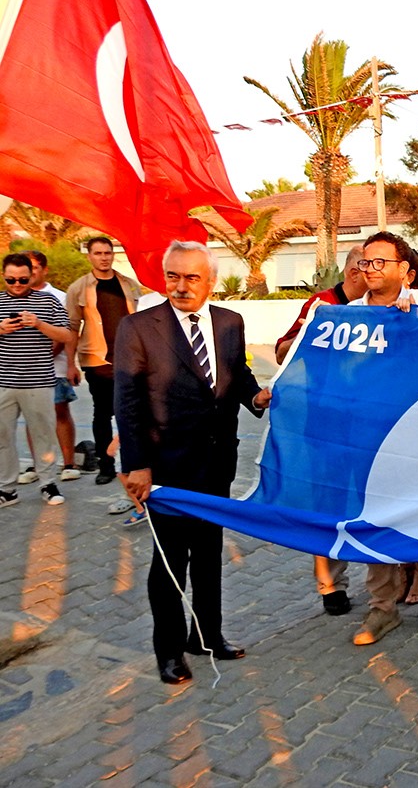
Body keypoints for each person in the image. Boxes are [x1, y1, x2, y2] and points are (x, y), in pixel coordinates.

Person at [114, 241, 272, 685]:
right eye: (173, 277)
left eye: (191, 278)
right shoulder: (139, 327)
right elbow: (126, 402)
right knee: (169, 562)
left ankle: (206, 636)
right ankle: (168, 651)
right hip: (166, 467)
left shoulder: (230, 322)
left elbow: (235, 374)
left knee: (208, 554)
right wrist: (137, 465)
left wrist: (255, 396)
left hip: (217, 460)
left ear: (210, 281)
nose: (181, 287)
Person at [347, 232, 418, 645]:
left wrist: (417, 325)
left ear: (405, 271)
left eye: (379, 263)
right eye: (365, 263)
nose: (369, 270)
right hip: (366, 436)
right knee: (372, 517)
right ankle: (382, 607)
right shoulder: (349, 315)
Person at [274, 245, 365, 617]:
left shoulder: (386, 307)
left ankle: (392, 581)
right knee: (327, 502)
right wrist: (313, 335)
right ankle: (331, 585)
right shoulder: (322, 304)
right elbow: (281, 351)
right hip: (326, 423)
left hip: (370, 425)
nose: (372, 273)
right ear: (352, 272)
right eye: (366, 266)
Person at [1, 253, 74, 507]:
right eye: (11, 280)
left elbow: (66, 335)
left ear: (31, 276)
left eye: (22, 279)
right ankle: (7, 489)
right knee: (2, 437)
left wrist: (40, 324)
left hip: (39, 381)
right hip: (4, 382)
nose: (17, 285)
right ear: (4, 276)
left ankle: (48, 483)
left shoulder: (48, 300)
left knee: (43, 435)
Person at [66, 236, 141, 485]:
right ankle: (106, 466)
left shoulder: (128, 284)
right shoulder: (79, 288)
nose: (104, 257)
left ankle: (132, 462)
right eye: (98, 253)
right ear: (89, 256)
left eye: (107, 253)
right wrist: (70, 364)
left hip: (129, 359)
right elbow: (72, 328)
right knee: (102, 414)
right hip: (97, 360)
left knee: (131, 413)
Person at [21, 250, 81, 483]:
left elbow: (64, 334)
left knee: (59, 412)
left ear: (44, 269)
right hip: (22, 371)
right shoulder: (13, 296)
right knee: (31, 416)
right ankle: (38, 466)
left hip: (52, 367)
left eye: (34, 267)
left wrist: (69, 365)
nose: (30, 271)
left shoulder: (58, 297)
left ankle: (68, 463)